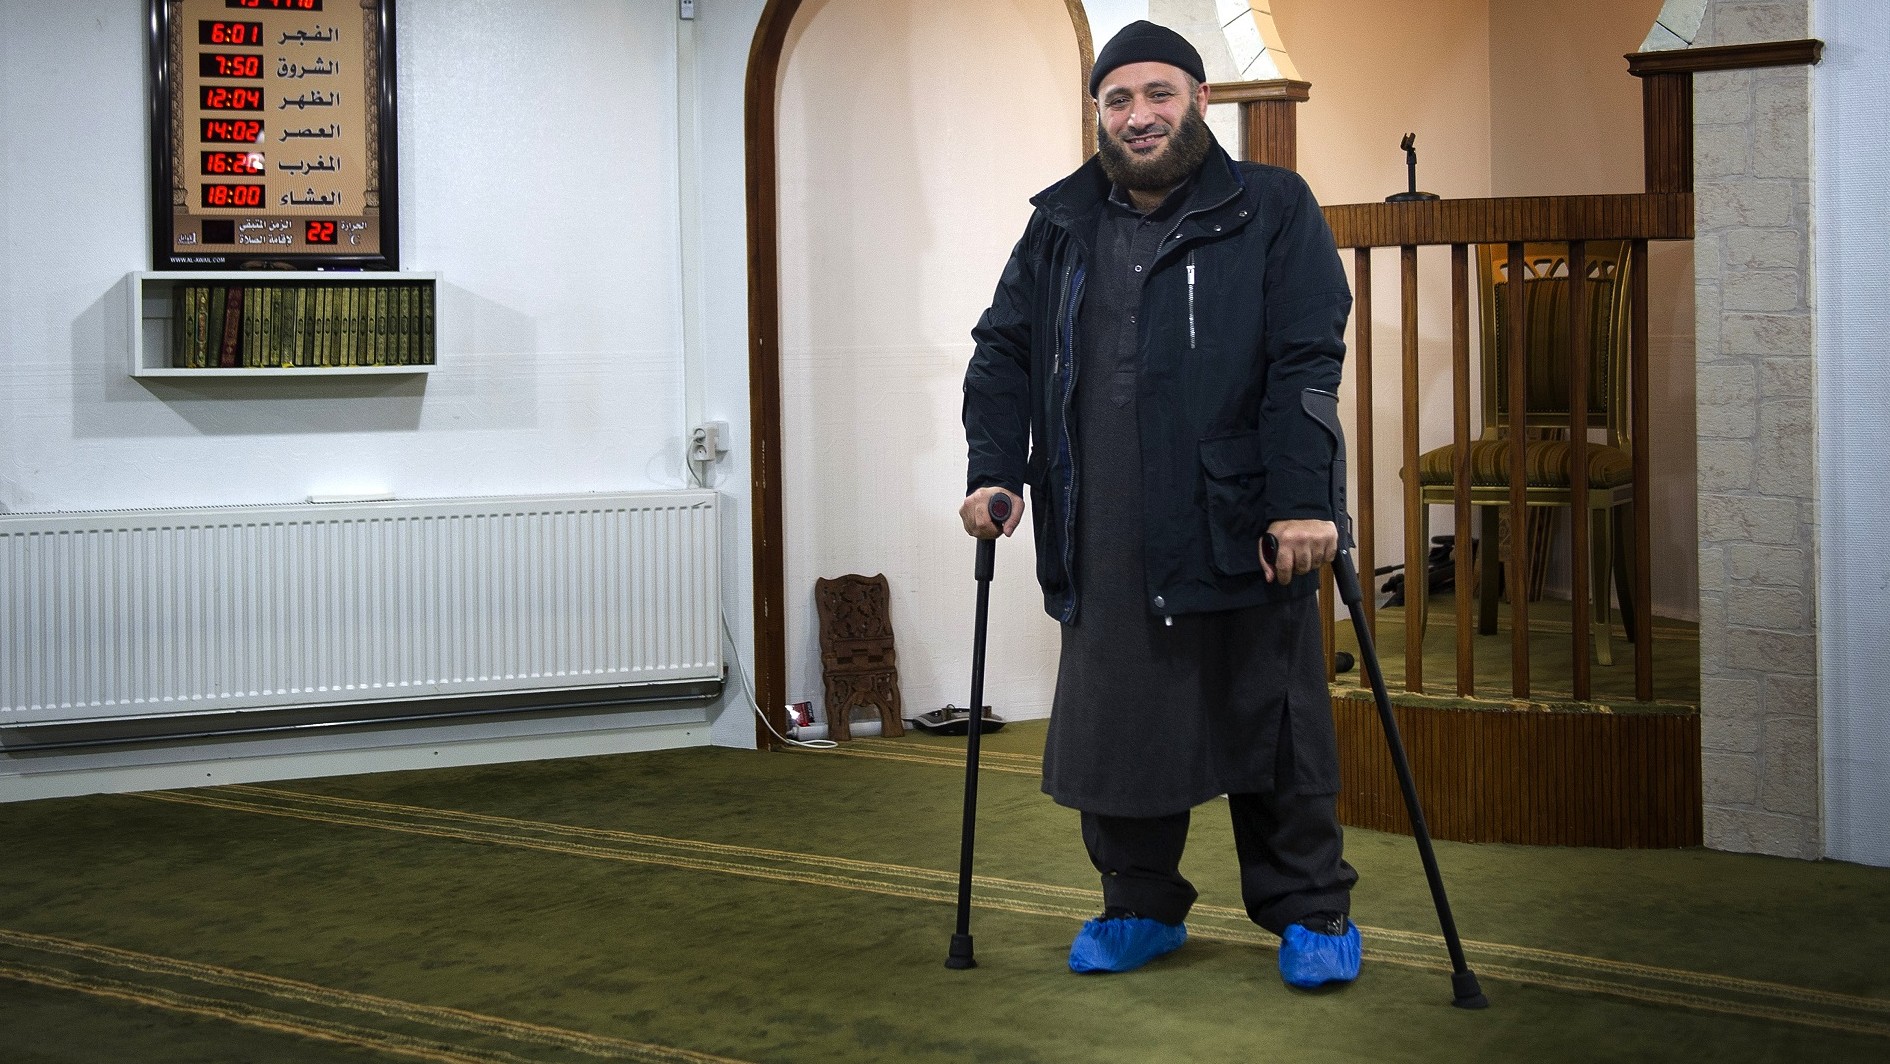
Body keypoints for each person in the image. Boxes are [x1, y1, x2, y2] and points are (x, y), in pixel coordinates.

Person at [958, 20, 1360, 989]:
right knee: (1122, 730)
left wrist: (1304, 500)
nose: (1139, 115)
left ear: (1200, 101)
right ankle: (1138, 906)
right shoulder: (1060, 223)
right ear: (1098, 112)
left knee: (1273, 725)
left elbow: (1306, 360)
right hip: (1102, 526)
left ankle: (1311, 913)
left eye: (1158, 94)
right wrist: (993, 469)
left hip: (1246, 521)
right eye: (1119, 99)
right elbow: (1004, 348)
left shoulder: (1272, 205)